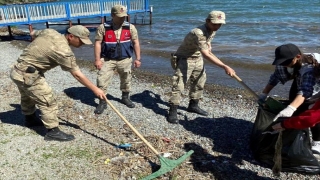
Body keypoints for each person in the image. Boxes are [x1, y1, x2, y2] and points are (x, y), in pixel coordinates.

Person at [10, 25, 107, 141]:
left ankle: (30, 119)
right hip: (28, 75)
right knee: (48, 100)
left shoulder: (50, 32)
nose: (82, 44)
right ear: (71, 36)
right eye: (81, 41)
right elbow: (77, 74)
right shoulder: (64, 51)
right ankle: (53, 132)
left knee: (28, 95)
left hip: (17, 70)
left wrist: (40, 48)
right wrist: (95, 89)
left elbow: (33, 33)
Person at [167, 11, 236, 124]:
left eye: (220, 24)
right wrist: (224, 66)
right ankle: (172, 111)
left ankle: (193, 105)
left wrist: (208, 45)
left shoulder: (212, 30)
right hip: (185, 59)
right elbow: (206, 54)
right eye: (215, 24)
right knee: (179, 85)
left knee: (199, 82)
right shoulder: (198, 33)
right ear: (207, 21)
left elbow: (206, 44)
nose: (217, 26)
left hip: (198, 58)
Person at [258, 44, 320, 153]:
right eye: (281, 62)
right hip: (300, 79)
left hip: (316, 85)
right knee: (295, 102)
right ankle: (294, 131)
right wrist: (264, 93)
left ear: (298, 57)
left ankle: (317, 141)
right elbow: (275, 77)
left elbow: (305, 90)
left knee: (312, 111)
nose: (283, 65)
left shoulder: (310, 69)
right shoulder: (284, 63)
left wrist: (291, 108)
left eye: (286, 62)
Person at [93, 5, 141, 114]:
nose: (122, 18)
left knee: (126, 78)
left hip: (125, 59)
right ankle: (102, 102)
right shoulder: (103, 27)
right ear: (112, 15)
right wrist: (97, 59)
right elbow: (97, 43)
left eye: (124, 16)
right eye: (119, 16)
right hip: (107, 59)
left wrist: (138, 58)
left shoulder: (130, 27)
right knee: (102, 80)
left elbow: (136, 43)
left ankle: (125, 97)